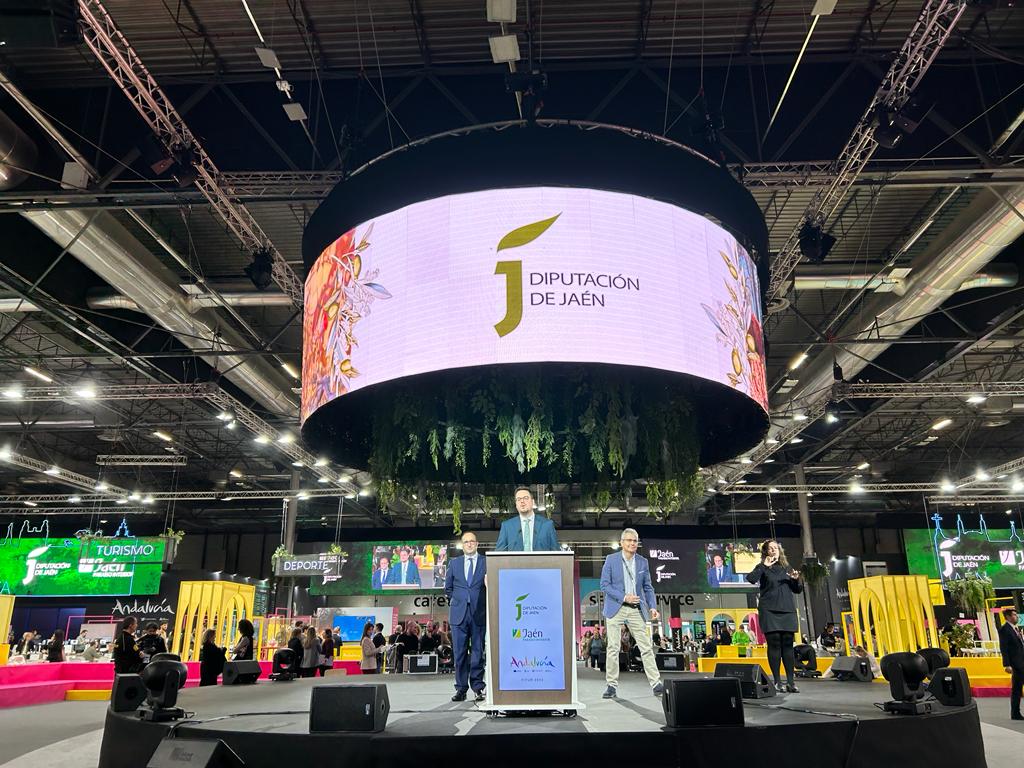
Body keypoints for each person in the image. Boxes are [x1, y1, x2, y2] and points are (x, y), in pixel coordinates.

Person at [600, 528, 663, 699]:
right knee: (613, 648)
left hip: (636, 609)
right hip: (616, 607)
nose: (632, 543)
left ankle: (656, 683)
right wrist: (624, 597)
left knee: (646, 647)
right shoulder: (611, 560)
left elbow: (648, 587)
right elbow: (604, 585)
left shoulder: (643, 562)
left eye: (635, 541)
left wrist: (652, 606)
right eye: (629, 540)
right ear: (621, 543)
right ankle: (611, 685)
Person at [747, 540, 803, 693]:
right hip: (769, 610)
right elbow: (751, 578)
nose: (774, 550)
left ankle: (791, 682)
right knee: (775, 643)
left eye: (776, 548)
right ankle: (777, 681)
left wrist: (796, 579)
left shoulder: (787, 568)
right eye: (770, 548)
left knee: (787, 643)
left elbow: (797, 590)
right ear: (766, 552)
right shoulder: (762, 568)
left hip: (787, 610)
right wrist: (764, 565)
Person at [445, 530, 487, 701]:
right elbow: (448, 588)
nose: (469, 544)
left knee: (478, 652)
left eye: (472, 541)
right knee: (460, 653)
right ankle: (461, 689)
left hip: (479, 613)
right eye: (466, 541)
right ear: (462, 545)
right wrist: (456, 601)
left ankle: (478, 687)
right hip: (458, 614)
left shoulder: (486, 562)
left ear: (477, 544)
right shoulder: (454, 563)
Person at [494, 486, 559, 551]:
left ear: (533, 502)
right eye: (518, 499)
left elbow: (556, 553)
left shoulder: (547, 525)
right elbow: (498, 554)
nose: (522, 501)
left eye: (525, 498)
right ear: (516, 504)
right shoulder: (507, 526)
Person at [998, 607, 1024, 721]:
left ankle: (1015, 713)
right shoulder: (1005, 629)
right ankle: (1015, 713)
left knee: (1017, 689)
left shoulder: (1015, 629)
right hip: (1016, 664)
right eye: (1014, 615)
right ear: (1008, 617)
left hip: (1021, 662)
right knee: (1017, 689)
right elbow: (1004, 648)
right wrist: (1006, 664)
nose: (1016, 617)